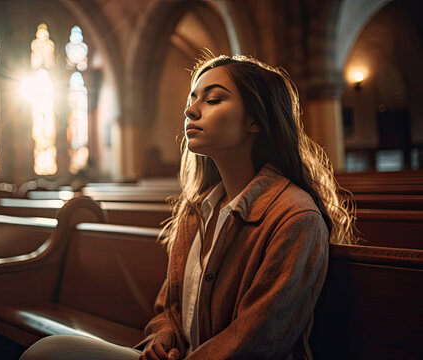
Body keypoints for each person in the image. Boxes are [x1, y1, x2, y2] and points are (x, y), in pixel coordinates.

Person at [19, 54, 357, 360]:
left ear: (256, 121)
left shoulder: (295, 217)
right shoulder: (198, 210)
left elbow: (259, 338)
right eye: (192, 98)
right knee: (50, 351)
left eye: (213, 99)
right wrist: (163, 336)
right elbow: (171, 307)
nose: (191, 109)